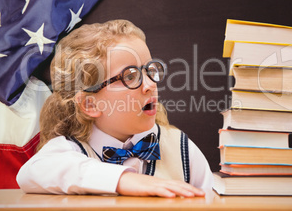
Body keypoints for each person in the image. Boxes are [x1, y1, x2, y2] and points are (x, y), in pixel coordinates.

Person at [16, 19, 213, 197]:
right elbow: (30, 172)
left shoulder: (181, 148)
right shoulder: (70, 150)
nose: (150, 85)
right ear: (90, 104)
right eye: (129, 76)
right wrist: (122, 179)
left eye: (149, 70)